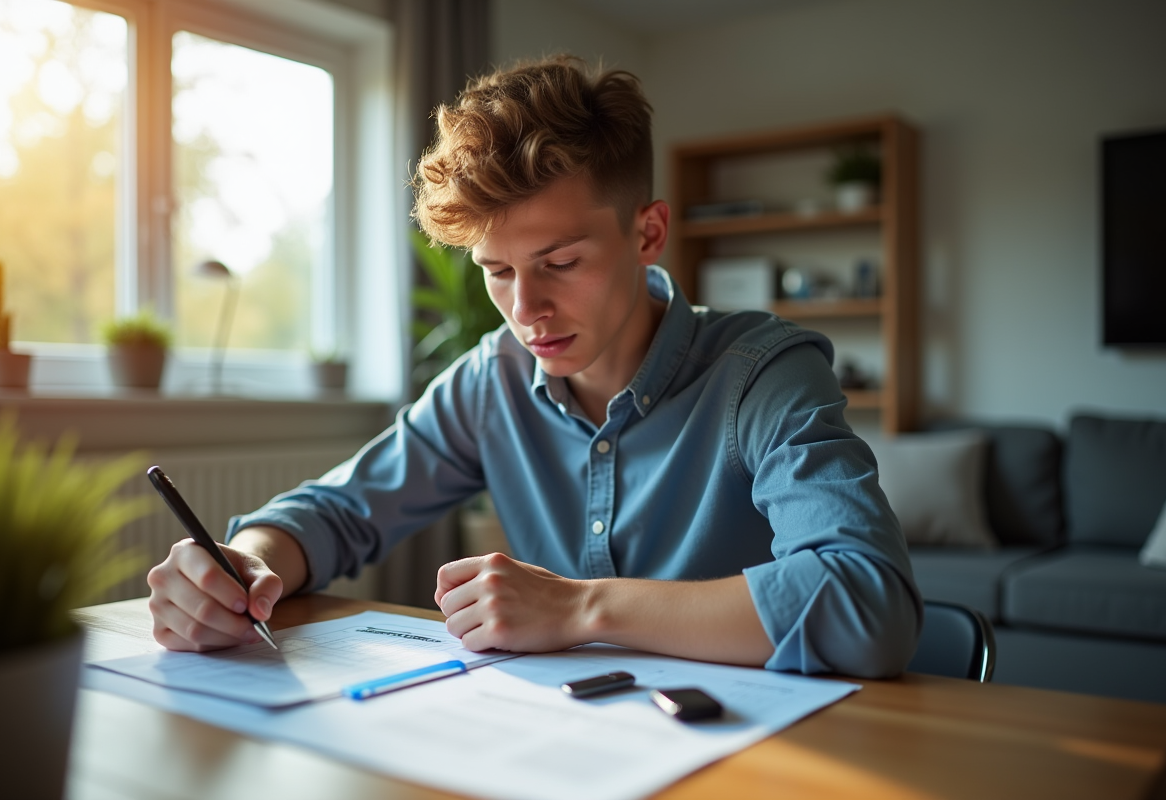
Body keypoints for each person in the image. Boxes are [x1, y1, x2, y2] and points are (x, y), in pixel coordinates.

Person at [147, 55, 921, 677]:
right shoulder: (492, 380)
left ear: (648, 233)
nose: (527, 310)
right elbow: (339, 513)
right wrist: (241, 567)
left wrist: (582, 609)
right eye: (498, 270)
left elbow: (868, 603)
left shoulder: (764, 375)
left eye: (561, 261)